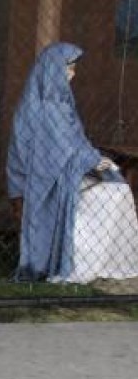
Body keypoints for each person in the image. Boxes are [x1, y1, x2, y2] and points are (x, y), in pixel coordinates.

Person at [7, 41, 138, 283]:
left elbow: (72, 143)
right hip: (43, 178)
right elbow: (58, 150)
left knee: (116, 188)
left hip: (64, 170)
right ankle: (84, 262)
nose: (73, 73)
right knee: (111, 193)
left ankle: (100, 259)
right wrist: (93, 161)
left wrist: (93, 159)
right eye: (68, 67)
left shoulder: (58, 102)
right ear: (52, 70)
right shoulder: (45, 107)